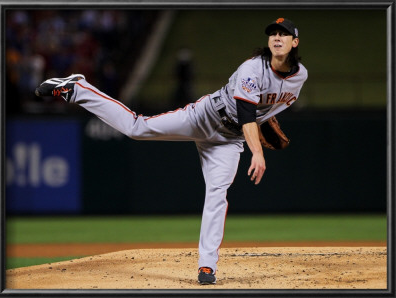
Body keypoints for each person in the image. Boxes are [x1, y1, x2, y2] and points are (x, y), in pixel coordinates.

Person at [35, 17, 307, 285]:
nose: (277, 38)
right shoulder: (253, 68)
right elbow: (247, 111)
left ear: (295, 42)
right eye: (273, 34)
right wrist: (257, 152)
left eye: (283, 34)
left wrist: (259, 127)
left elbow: (262, 113)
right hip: (206, 116)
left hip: (229, 140)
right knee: (136, 128)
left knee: (217, 193)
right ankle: (77, 88)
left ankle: (207, 267)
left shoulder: (300, 77)